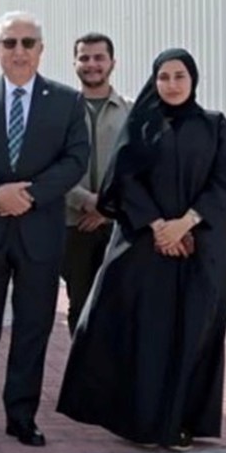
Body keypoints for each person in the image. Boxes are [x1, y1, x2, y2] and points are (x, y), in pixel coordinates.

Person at [55, 49, 226, 450]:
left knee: (192, 331)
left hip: (200, 246)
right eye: (164, 77)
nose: (171, 84)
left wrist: (184, 223)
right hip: (144, 245)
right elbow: (124, 181)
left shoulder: (215, 127)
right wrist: (158, 227)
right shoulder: (141, 124)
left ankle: (181, 421)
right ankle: (137, 419)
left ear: (193, 80)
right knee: (141, 331)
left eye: (179, 76)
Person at [0, 11, 90, 446]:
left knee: (33, 326)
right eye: (10, 43)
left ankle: (22, 416)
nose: (19, 51)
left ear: (41, 50)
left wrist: (28, 196)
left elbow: (74, 159)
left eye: (28, 43)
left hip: (40, 230)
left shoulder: (66, 100)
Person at [62, 33, 131, 331]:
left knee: (119, 304)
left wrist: (105, 209)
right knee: (80, 306)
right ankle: (81, 375)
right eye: (85, 58)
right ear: (75, 63)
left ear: (112, 62)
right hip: (72, 226)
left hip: (120, 225)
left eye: (99, 57)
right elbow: (50, 167)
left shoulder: (132, 111)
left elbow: (139, 168)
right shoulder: (62, 112)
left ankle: (116, 376)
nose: (92, 64)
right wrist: (84, 201)